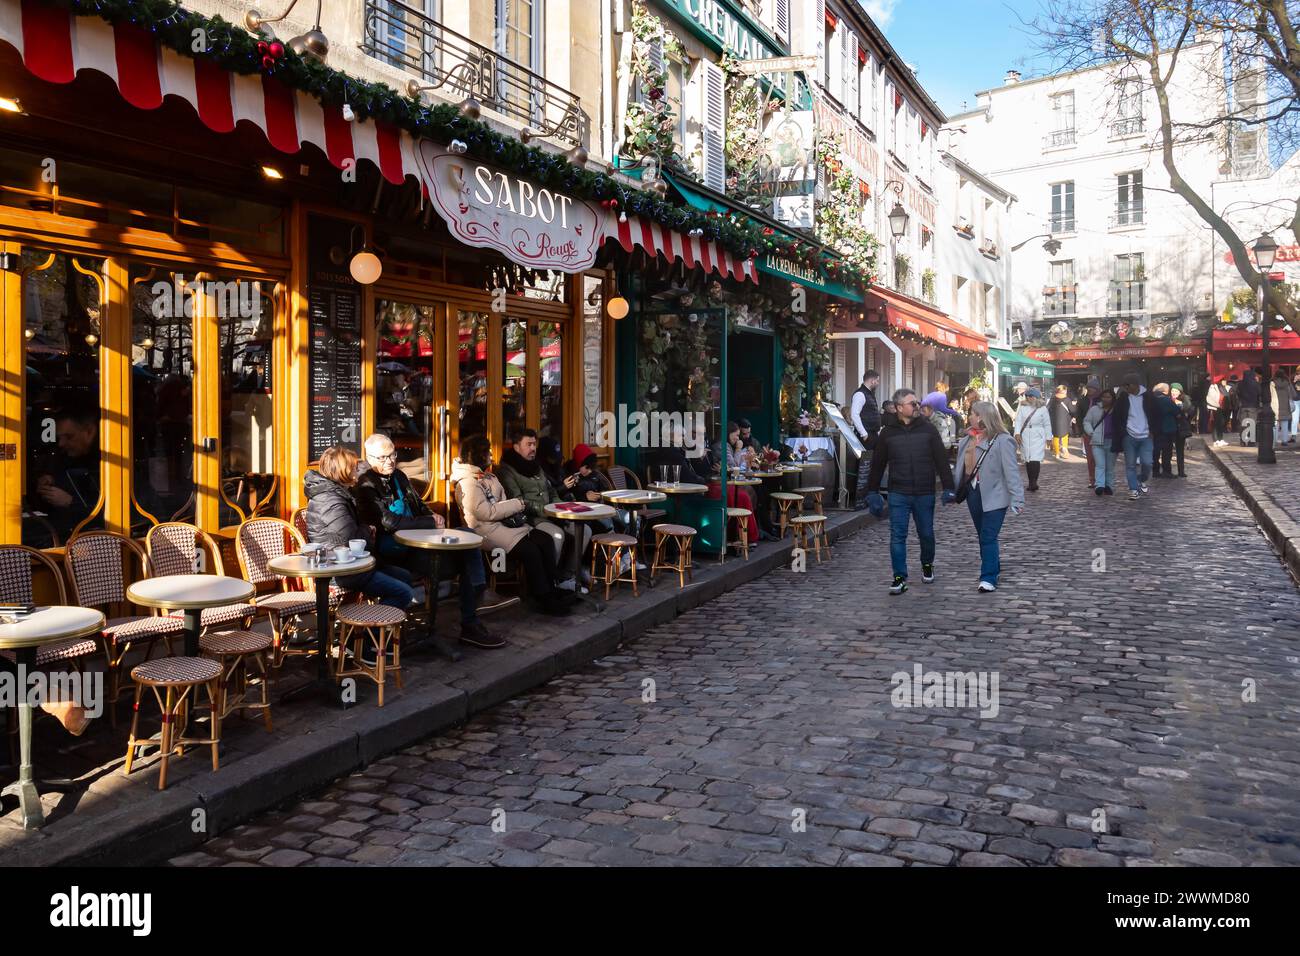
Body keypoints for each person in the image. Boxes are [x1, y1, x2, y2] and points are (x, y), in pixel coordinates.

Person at [353, 434, 508, 651]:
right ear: (369, 458)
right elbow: (388, 522)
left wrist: (432, 515)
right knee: (463, 563)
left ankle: (476, 592)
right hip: (395, 553)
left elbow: (417, 503)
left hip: (419, 543)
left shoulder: (399, 475)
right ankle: (471, 617)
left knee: (467, 534)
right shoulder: (366, 484)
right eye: (382, 458)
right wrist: (427, 521)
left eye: (392, 455)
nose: (389, 461)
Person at [452, 435, 573, 617]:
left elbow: (500, 503)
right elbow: (486, 513)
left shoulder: (488, 475)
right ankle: (542, 597)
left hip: (503, 526)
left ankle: (551, 587)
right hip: (485, 532)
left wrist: (511, 506)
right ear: (477, 455)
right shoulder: (468, 482)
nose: (491, 454)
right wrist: (517, 504)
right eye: (487, 451)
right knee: (531, 551)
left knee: (545, 539)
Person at [864, 388, 956, 595]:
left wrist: (949, 487)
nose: (918, 407)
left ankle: (927, 564)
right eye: (912, 404)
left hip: (925, 491)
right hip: (899, 492)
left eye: (918, 403)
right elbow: (878, 464)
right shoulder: (887, 433)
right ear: (898, 408)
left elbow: (941, 459)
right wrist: (872, 491)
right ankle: (899, 577)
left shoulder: (928, 429)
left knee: (926, 533)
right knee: (898, 536)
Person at [304, 446, 414, 614]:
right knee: (403, 593)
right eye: (353, 468)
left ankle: (382, 629)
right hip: (340, 570)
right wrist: (368, 529)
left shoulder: (336, 493)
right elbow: (350, 539)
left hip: (352, 563)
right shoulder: (331, 501)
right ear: (343, 471)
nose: (357, 472)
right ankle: (370, 632)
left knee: (404, 576)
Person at [497, 427, 583, 589]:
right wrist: (547, 509)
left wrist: (560, 507)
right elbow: (518, 501)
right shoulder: (507, 470)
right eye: (529, 444)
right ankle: (550, 582)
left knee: (584, 532)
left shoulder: (536, 465)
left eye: (534, 444)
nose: (533, 448)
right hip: (530, 519)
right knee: (557, 535)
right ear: (516, 447)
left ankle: (567, 575)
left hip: (551, 513)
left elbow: (550, 490)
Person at [954, 402, 1024, 592]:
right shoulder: (966, 439)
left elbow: (1011, 472)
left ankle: (988, 577)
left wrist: (1017, 498)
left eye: (973, 414)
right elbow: (960, 468)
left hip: (995, 494)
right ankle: (994, 566)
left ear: (983, 417)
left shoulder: (1003, 440)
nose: (970, 417)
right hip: (973, 493)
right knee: (982, 535)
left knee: (988, 536)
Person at [34, 405, 102, 542]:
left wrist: (70, 502)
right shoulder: (63, 460)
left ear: (90, 432)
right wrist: (44, 486)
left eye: (69, 437)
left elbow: (114, 515)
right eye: (59, 438)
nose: (61, 444)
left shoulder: (111, 464)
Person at [1111, 372, 1158, 501]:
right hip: (1129, 436)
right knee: (1130, 465)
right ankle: (1133, 489)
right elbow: (1117, 416)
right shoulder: (1123, 398)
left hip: (1146, 435)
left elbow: (1156, 414)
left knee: (1147, 462)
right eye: (1125, 385)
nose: (1126, 388)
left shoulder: (1149, 397)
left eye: (1128, 385)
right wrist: (1123, 432)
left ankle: (1142, 479)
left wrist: (1153, 430)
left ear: (1136, 384)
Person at [850, 371, 882, 509]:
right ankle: (860, 499)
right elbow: (854, 414)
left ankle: (869, 496)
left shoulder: (869, 394)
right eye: (878, 380)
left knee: (872, 466)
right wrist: (864, 433)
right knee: (864, 467)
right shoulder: (860, 394)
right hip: (866, 436)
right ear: (873, 380)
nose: (878, 383)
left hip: (873, 435)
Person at [1082, 388, 1118, 495]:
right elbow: (1087, 421)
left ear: (1112, 398)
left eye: (1108, 397)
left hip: (1112, 441)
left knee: (1110, 466)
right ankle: (1100, 485)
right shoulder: (1094, 409)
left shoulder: (1116, 409)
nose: (1106, 399)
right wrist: (1090, 432)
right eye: (1104, 397)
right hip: (1097, 441)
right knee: (1100, 464)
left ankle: (1109, 485)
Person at [1014, 388, 1051, 492]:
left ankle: (1034, 481)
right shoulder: (1023, 407)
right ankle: (1030, 481)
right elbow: (1018, 421)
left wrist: (1049, 437)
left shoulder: (1043, 409)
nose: (1029, 398)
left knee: (1035, 458)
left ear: (1036, 397)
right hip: (1025, 434)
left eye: (1031, 396)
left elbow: (1047, 423)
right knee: (1028, 459)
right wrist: (1017, 433)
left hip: (1038, 434)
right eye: (1028, 396)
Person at [1075, 378, 1101, 487]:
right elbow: (1079, 417)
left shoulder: (1102, 400)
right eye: (1088, 387)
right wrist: (1081, 431)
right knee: (1090, 458)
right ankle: (1092, 479)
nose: (1090, 390)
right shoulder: (1082, 400)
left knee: (1099, 458)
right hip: (1087, 433)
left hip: (1101, 432)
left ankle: (1101, 479)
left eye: (1092, 388)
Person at [1150, 383, 1179, 479]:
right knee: (1167, 451)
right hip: (1167, 428)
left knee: (1156, 451)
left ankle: (1155, 471)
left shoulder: (1151, 400)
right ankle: (1166, 471)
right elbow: (1176, 411)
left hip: (1155, 428)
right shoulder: (1166, 400)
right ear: (1165, 391)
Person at [1170, 384, 1194, 477]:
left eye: (1176, 391)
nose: (1173, 393)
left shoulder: (1185, 401)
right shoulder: (1168, 400)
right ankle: (1167, 471)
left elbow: (1191, 412)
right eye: (1172, 391)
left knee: (1180, 451)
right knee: (1168, 450)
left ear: (1180, 392)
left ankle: (1181, 471)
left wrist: (1182, 410)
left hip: (1181, 429)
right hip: (1170, 428)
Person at [1236, 367, 1261, 445]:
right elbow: (1260, 393)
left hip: (1243, 405)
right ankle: (1251, 441)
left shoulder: (1240, 383)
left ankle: (1243, 441)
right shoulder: (1256, 384)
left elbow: (1238, 393)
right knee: (1252, 424)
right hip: (1253, 406)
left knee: (1243, 423)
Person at [1048, 384, 1073, 458]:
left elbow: (1048, 409)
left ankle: (1057, 453)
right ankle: (1064, 448)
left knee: (1055, 436)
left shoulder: (1052, 399)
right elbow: (1072, 410)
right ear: (1065, 391)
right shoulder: (1067, 400)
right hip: (1065, 421)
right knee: (1065, 435)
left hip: (1054, 421)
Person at [1271, 371, 1294, 446]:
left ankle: (1274, 440)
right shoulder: (1287, 383)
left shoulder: (1272, 383)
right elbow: (1292, 394)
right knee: (1285, 424)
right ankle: (1284, 441)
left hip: (1275, 405)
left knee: (1275, 424)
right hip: (1285, 405)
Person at [1206, 375, 1228, 446]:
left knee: (1221, 424)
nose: (1225, 382)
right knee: (1215, 424)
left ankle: (1220, 439)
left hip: (1222, 408)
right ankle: (1215, 440)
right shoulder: (1213, 387)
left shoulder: (1223, 388)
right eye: (1224, 380)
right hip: (1215, 408)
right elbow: (1210, 398)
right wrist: (1217, 405)